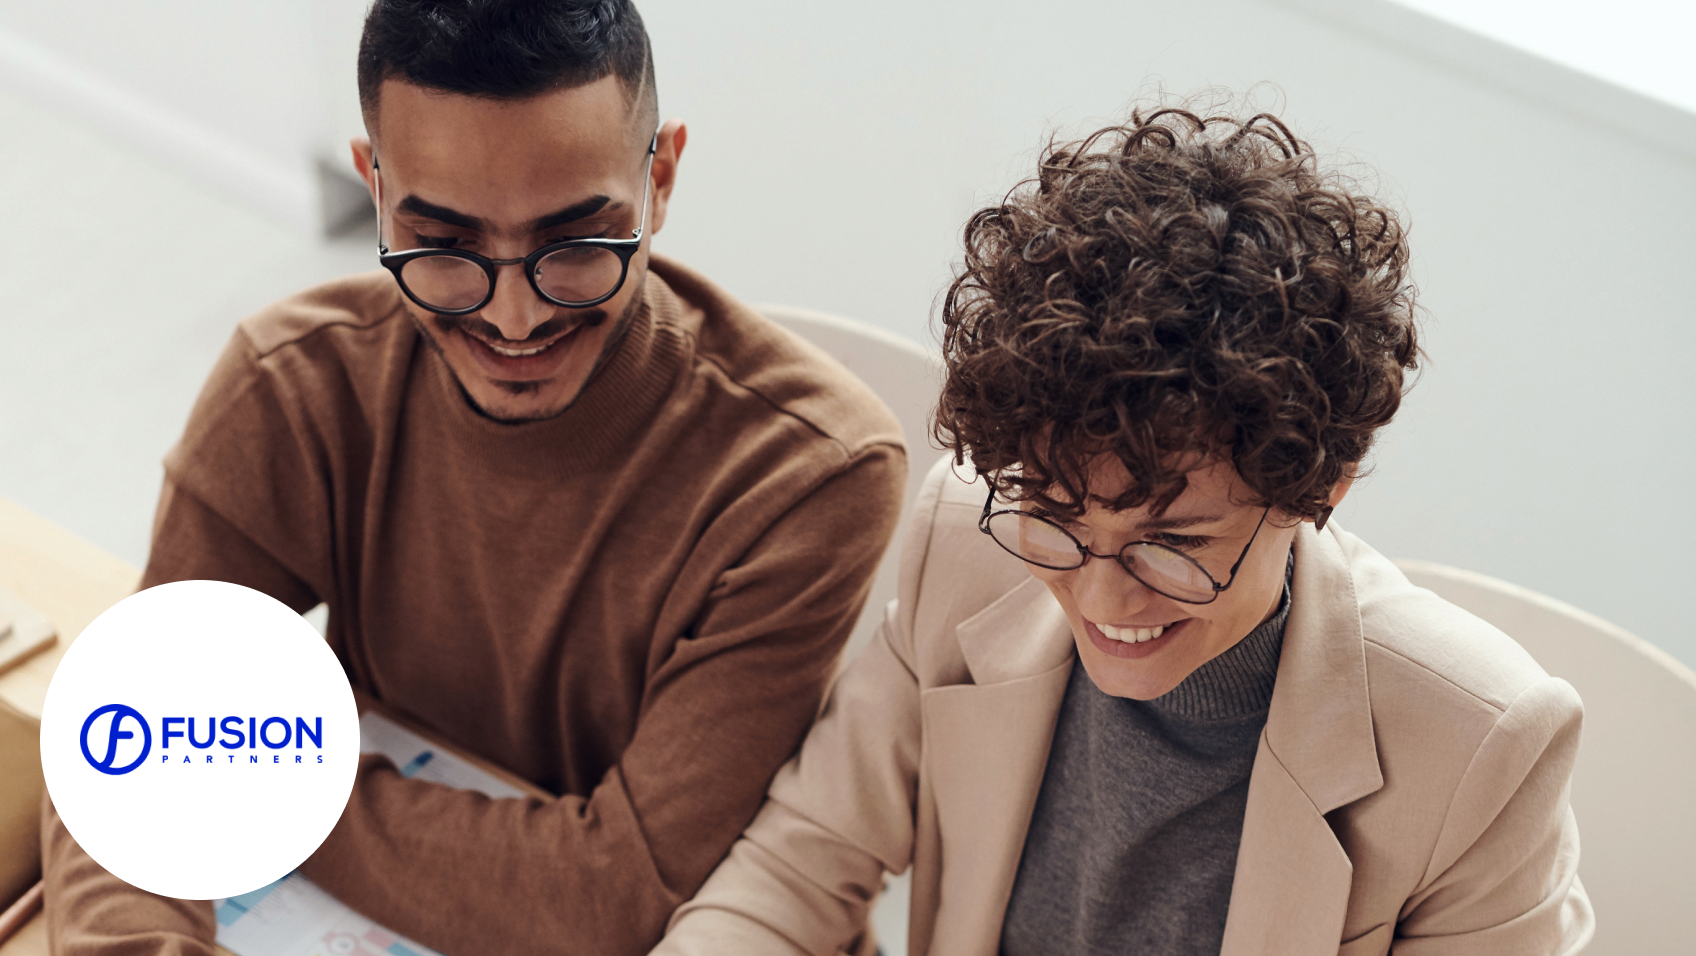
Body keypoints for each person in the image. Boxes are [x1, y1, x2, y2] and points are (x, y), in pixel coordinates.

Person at [40, 2, 906, 954]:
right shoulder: (295, 383)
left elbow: (615, 898)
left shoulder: (811, 473)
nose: (515, 317)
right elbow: (122, 756)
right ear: (375, 186)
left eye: (575, 247)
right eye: (446, 248)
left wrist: (247, 781)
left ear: (660, 177)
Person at [652, 105, 1592, 955]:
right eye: (1058, 517)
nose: (1102, 599)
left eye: (1173, 545)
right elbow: (800, 865)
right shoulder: (966, 538)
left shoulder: (1480, 746)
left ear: (1321, 490)